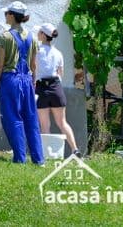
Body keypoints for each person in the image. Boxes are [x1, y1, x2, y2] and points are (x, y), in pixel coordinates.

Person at [0, 0, 45, 165]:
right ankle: (38, 159)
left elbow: (0, 64)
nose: (5, 16)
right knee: (31, 118)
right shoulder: (32, 38)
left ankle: (20, 158)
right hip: (27, 79)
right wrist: (33, 81)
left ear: (12, 15)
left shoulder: (5, 37)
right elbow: (34, 65)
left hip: (10, 80)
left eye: (6, 13)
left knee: (13, 118)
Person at [36, 22, 81, 157]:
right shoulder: (58, 53)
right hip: (56, 87)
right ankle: (75, 150)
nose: (38, 34)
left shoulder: (37, 51)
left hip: (41, 88)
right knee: (62, 122)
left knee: (45, 124)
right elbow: (60, 74)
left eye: (39, 32)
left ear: (43, 35)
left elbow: (32, 70)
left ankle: (48, 154)